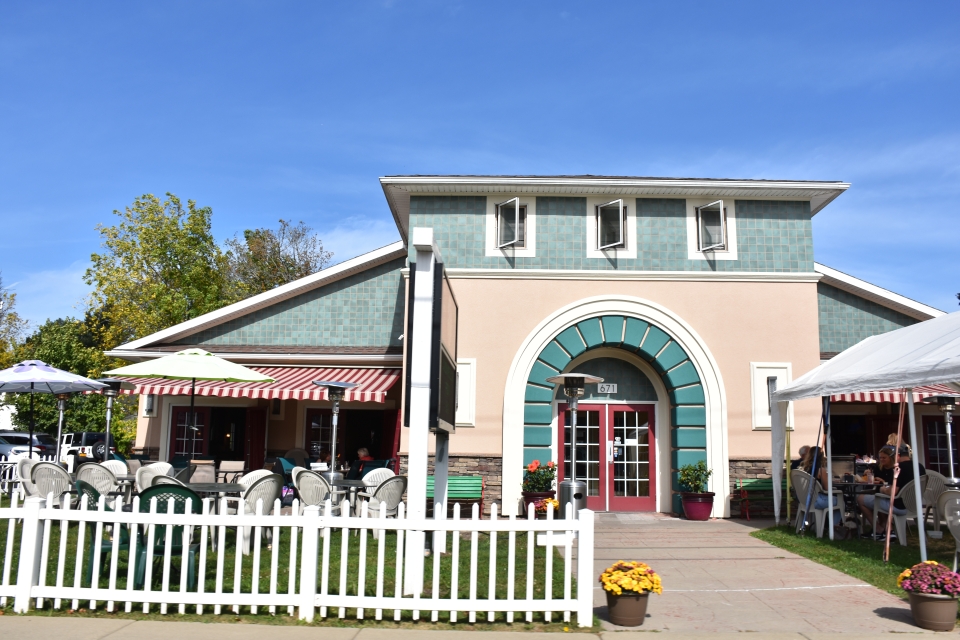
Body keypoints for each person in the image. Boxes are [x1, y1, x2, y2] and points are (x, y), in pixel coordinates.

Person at [857, 443, 925, 540]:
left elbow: (892, 492)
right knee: (879, 499)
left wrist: (882, 488)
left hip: (899, 506)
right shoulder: (919, 466)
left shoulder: (899, 468)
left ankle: (879, 530)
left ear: (897, 455)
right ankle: (887, 530)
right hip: (915, 506)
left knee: (861, 499)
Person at [800, 446, 843, 530]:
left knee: (832, 501)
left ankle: (826, 525)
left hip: (804, 499)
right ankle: (834, 528)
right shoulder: (820, 469)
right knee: (840, 501)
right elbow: (826, 488)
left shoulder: (804, 468)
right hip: (816, 500)